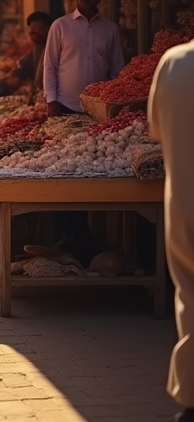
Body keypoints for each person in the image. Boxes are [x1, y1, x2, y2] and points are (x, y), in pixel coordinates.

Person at [149, 36, 194, 422]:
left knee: (190, 294)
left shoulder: (174, 62)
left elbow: (157, 129)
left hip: (184, 204)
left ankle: (191, 397)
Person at [44, 0, 124, 116]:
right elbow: (50, 65)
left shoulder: (110, 28)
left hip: (100, 106)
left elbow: (116, 68)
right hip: (66, 105)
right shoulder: (60, 26)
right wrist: (51, 100)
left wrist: (115, 101)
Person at [0, 11, 52, 102]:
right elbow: (23, 66)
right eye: (32, 33)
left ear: (50, 29)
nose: (36, 36)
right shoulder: (36, 49)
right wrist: (13, 78)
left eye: (40, 31)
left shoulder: (55, 48)